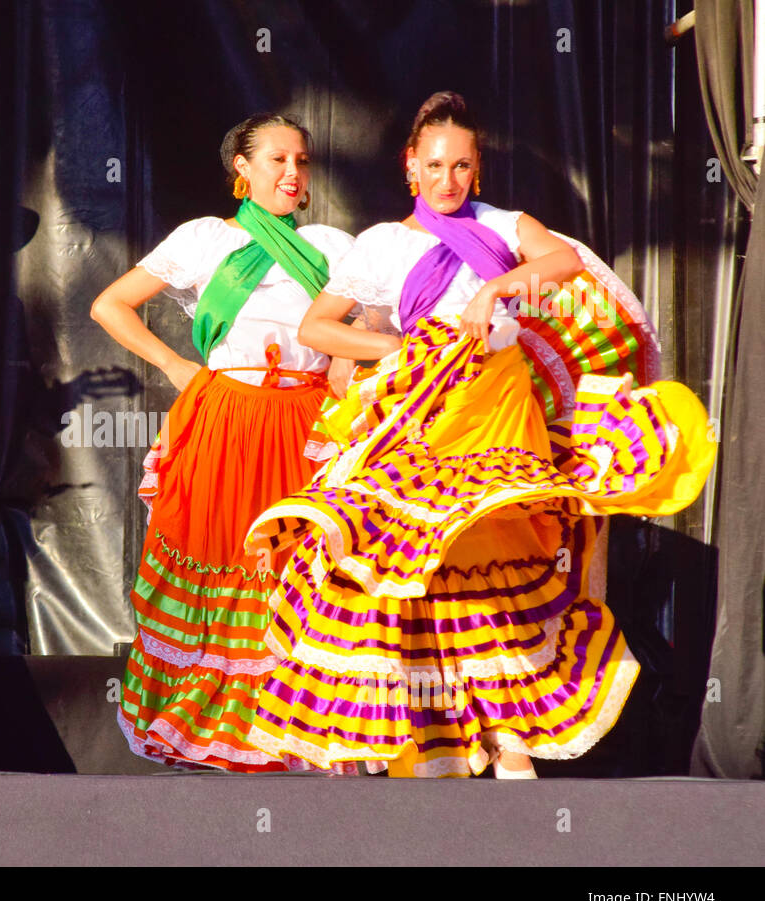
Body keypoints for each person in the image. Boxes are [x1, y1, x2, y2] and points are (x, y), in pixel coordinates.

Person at [244, 92, 715, 778]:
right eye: (434, 165)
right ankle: (431, 740)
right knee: (411, 576)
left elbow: (564, 264)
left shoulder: (502, 224)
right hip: (419, 414)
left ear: (477, 170)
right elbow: (318, 328)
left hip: (498, 412)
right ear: (411, 165)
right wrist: (401, 350)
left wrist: (496, 291)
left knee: (495, 576)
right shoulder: (383, 244)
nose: (447, 180)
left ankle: (511, 740)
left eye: (461, 167)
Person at [91, 113, 401, 771]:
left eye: (302, 162)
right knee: (224, 558)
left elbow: (375, 321)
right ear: (242, 168)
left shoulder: (329, 244)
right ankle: (214, 725)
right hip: (227, 419)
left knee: (300, 572)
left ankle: (297, 726)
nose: (293, 173)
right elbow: (110, 305)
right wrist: (176, 367)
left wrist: (347, 370)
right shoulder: (204, 239)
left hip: (308, 424)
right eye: (278, 160)